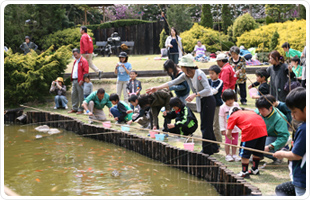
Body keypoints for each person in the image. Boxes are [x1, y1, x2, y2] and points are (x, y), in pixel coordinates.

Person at [147, 54, 219, 155]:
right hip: (201, 101)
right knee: (206, 126)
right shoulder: (186, 76)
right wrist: (157, 88)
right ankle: (214, 147)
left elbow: (208, 90)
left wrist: (195, 94)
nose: (180, 68)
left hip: (208, 100)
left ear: (187, 67)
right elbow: (172, 82)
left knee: (205, 126)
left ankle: (207, 150)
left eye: (182, 66)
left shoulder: (199, 74)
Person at [273, 87, 306, 196]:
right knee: (281, 189)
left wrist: (281, 153)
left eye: (294, 111)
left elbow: (296, 155)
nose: (292, 115)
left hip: (303, 180)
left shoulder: (304, 129)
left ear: (305, 109)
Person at [226, 107, 267, 178]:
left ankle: (244, 172)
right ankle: (255, 169)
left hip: (250, 130)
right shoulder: (249, 111)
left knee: (244, 152)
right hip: (263, 130)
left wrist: (230, 137)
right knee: (257, 151)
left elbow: (228, 132)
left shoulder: (233, 116)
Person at [255, 96, 290, 165]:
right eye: (259, 110)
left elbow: (283, 137)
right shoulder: (257, 112)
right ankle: (259, 155)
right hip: (262, 135)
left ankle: (278, 156)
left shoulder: (280, 118)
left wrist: (270, 147)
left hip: (274, 137)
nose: (260, 112)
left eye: (263, 110)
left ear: (270, 108)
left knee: (262, 149)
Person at [219, 89, 241, 162]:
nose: (230, 101)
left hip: (236, 128)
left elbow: (240, 115)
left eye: (232, 99)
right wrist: (222, 129)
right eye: (228, 100)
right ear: (224, 100)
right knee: (228, 142)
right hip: (227, 128)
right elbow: (221, 118)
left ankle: (234, 154)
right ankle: (228, 155)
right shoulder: (222, 107)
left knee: (235, 142)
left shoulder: (236, 105)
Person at [68, 48, 89, 115]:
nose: (75, 56)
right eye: (74, 55)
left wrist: (82, 80)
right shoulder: (75, 61)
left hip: (80, 80)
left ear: (80, 53)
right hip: (74, 80)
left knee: (81, 95)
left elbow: (86, 72)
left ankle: (81, 109)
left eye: (76, 54)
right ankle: (74, 108)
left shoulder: (84, 61)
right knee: (73, 94)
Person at [208, 65, 223, 143]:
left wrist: (207, 90)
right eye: (210, 73)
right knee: (209, 124)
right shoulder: (208, 81)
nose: (210, 75)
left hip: (216, 105)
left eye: (212, 73)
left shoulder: (220, 82)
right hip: (208, 104)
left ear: (217, 74)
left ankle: (218, 141)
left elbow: (214, 91)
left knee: (215, 125)